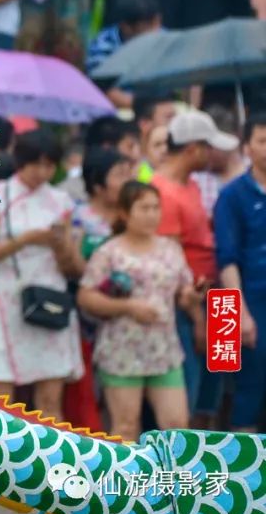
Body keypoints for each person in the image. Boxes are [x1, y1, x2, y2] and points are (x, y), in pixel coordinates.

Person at [0, 129, 84, 419]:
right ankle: (2, 462)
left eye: (50, 165)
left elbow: (74, 269)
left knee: (50, 399)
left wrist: (62, 246)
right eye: (37, 164)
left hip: (50, 297)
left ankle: (52, 464)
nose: (43, 172)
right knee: (1, 400)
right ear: (22, 160)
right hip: (6, 301)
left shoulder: (61, 201)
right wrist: (26, 240)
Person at [79, 181, 202, 440]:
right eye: (143, 208)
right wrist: (128, 307)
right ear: (125, 213)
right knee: (125, 427)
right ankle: (128, 480)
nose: (152, 214)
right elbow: (86, 296)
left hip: (164, 349)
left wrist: (191, 297)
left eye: (156, 207)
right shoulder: (110, 251)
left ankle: (176, 479)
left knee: (177, 425)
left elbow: (183, 292)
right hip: (122, 351)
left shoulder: (171, 249)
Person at [152, 110, 238, 420]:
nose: (213, 153)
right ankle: (188, 460)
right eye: (208, 146)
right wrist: (196, 316)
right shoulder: (161, 191)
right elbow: (171, 262)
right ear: (192, 149)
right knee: (191, 386)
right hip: (189, 303)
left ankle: (216, 454)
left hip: (217, 296)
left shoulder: (193, 186)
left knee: (217, 385)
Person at [213, 113, 266, 432]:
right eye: (262, 140)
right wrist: (239, 315)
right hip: (246, 302)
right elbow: (226, 259)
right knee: (245, 391)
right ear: (246, 147)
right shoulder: (231, 195)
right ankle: (241, 475)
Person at [85, 0, 163, 109]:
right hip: (121, 109)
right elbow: (107, 92)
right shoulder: (102, 47)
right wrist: (148, 108)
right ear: (126, 27)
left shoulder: (164, 37)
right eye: (148, 27)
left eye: (157, 23)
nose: (156, 31)